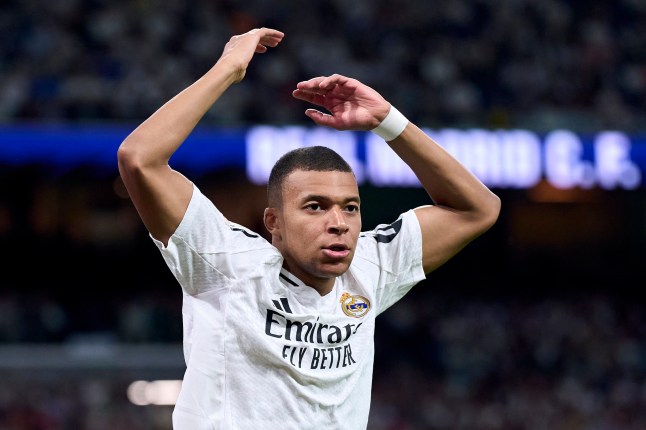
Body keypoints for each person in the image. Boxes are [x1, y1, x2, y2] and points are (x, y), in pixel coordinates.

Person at [117, 27, 500, 430]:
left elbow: (478, 209)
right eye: (315, 207)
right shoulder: (226, 264)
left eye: (350, 208)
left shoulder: (368, 269)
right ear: (273, 223)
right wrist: (228, 69)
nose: (338, 223)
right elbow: (139, 158)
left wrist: (388, 121)